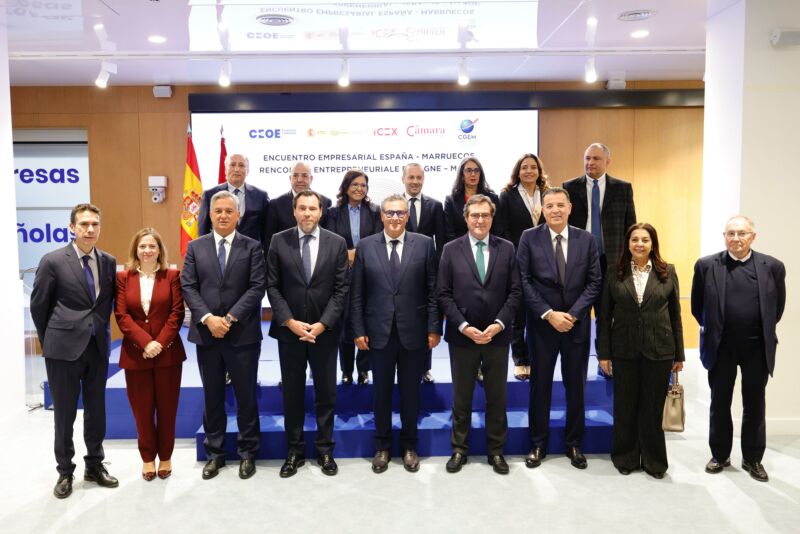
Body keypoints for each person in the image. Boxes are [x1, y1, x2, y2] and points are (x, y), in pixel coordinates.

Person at [31, 203, 119, 498]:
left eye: (94, 224)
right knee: (65, 414)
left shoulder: (108, 261)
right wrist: (51, 340)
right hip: (62, 350)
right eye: (84, 224)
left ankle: (94, 464)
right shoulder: (53, 261)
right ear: (72, 227)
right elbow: (39, 306)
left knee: (96, 411)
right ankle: (65, 471)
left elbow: (105, 304)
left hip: (97, 347)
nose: (90, 229)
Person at [350, 194, 442, 474]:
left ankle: (409, 446)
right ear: (381, 216)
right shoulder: (366, 246)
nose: (395, 218)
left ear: (407, 216)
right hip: (378, 333)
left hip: (414, 332)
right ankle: (382, 447)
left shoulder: (424, 244)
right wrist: (358, 329)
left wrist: (434, 327)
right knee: (381, 394)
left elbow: (433, 290)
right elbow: (357, 293)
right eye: (389, 213)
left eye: (400, 213)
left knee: (411, 393)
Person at [691, 215, 786, 482]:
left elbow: (776, 309)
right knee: (719, 401)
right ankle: (720, 455)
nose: (736, 238)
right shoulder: (706, 265)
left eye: (742, 233)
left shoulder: (773, 267)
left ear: (753, 237)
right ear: (724, 236)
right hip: (721, 346)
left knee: (755, 402)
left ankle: (752, 458)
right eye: (730, 233)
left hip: (757, 346)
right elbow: (697, 307)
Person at [181, 190, 266, 481]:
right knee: (212, 396)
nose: (223, 215)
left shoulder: (253, 247)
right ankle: (215, 454)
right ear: (210, 214)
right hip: (207, 335)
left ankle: (247, 453)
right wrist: (208, 318)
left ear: (238, 215)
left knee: (246, 397)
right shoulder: (195, 247)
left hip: (242, 334)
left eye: (229, 211)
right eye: (218, 211)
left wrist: (228, 319)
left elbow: (257, 287)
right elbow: (188, 286)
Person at [517, 187, 602, 470]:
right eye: (549, 205)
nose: (555, 210)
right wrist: (549, 314)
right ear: (542, 210)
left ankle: (574, 443)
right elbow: (524, 281)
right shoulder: (529, 238)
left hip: (576, 327)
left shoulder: (586, 239)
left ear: (569, 208)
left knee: (576, 387)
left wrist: (573, 315)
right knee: (540, 387)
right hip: (542, 326)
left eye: (560, 205)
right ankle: (538, 443)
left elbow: (594, 282)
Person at [437, 195, 521, 475]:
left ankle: (496, 451)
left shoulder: (507, 248)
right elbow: (443, 294)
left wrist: (499, 324)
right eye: (475, 215)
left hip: (497, 336)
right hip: (463, 336)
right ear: (466, 218)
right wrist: (463, 326)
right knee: (462, 398)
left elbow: (515, 292)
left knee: (497, 397)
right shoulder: (450, 249)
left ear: (492, 218)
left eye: (485, 215)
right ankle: (459, 449)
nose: (480, 220)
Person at [267, 191, 349, 478]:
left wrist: (323, 324)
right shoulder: (279, 241)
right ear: (294, 211)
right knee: (292, 394)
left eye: (312, 208)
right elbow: (272, 286)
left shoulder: (337, 243)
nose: (307, 213)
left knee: (326, 394)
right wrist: (289, 321)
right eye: (302, 208)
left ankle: (325, 450)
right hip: (290, 332)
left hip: (324, 333)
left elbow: (341, 289)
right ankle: (294, 451)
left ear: (320, 212)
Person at [597, 223, 685, 479]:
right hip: (623, 349)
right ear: (628, 244)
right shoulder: (614, 272)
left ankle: (654, 461)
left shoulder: (667, 271)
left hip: (659, 350)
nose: (639, 244)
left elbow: (675, 315)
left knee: (652, 408)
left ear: (652, 243)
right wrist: (604, 353)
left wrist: (679, 355)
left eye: (645, 240)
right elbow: (604, 316)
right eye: (634, 239)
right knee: (625, 406)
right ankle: (625, 457)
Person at [115, 228, 186, 481]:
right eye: (142, 246)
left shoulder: (172, 276)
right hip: (136, 355)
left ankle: (165, 457)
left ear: (159, 250)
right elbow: (122, 315)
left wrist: (160, 343)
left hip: (168, 354)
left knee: (167, 409)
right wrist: (146, 343)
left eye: (152, 246)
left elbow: (177, 313)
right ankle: (147, 458)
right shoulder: (123, 278)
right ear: (136, 250)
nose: (147, 250)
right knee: (142, 411)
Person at [563, 143, 636, 378]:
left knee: (606, 313)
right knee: (579, 311)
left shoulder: (623, 188)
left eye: (595, 158)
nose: (590, 163)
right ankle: (577, 363)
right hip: (579, 261)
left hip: (611, 261)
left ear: (607, 161)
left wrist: (629, 262)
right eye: (587, 158)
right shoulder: (569, 187)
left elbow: (630, 227)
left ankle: (605, 360)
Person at [323, 169, 382, 385]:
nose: (359, 188)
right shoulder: (332, 212)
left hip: (369, 272)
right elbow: (330, 241)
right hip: (341, 273)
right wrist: (346, 254)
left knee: (367, 320)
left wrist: (357, 253)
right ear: (346, 187)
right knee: (345, 322)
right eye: (355, 184)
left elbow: (377, 240)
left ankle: (363, 369)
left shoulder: (375, 211)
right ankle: (346, 370)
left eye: (363, 185)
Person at [498, 153, 549, 381]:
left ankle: (536, 357)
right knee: (517, 313)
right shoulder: (507, 195)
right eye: (524, 167)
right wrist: (517, 254)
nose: (529, 171)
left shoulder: (548, 194)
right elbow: (503, 229)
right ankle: (520, 359)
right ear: (518, 171)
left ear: (539, 171)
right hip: (517, 259)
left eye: (533, 167)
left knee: (539, 310)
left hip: (545, 260)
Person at [402, 162, 446, 384]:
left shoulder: (435, 206)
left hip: (426, 271)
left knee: (426, 319)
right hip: (399, 271)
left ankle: (425, 368)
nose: (415, 181)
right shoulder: (394, 205)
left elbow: (442, 240)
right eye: (411, 177)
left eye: (419, 178)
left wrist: (439, 271)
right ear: (403, 179)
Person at [198, 153, 270, 254]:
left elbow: (266, 232)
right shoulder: (209, 194)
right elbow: (203, 230)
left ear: (247, 171)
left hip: (251, 255)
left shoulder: (261, 196)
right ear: (225, 170)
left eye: (241, 165)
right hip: (220, 254)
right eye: (232, 165)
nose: (236, 169)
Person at [265, 161, 332, 250]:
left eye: (304, 176)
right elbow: (269, 239)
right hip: (285, 257)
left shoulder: (325, 202)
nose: (299, 180)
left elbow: (328, 238)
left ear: (311, 178)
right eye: (295, 175)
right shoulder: (275, 205)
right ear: (290, 178)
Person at [443, 156, 503, 245]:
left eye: (476, 170)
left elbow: (498, 230)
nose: (473, 174)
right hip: (459, 248)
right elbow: (449, 233)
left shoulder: (492, 198)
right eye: (468, 170)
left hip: (488, 247)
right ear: (462, 175)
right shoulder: (451, 201)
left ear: (480, 174)